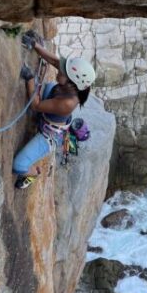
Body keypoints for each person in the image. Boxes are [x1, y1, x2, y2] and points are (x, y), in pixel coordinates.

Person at [12, 30, 96, 189]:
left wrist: (29, 78)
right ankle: (41, 116)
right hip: (49, 114)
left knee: (18, 165)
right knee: (50, 86)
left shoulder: (67, 103)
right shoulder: (71, 82)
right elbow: (54, 61)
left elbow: (35, 105)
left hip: (49, 135)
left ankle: (33, 173)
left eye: (63, 70)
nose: (59, 68)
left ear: (72, 82)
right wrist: (34, 45)